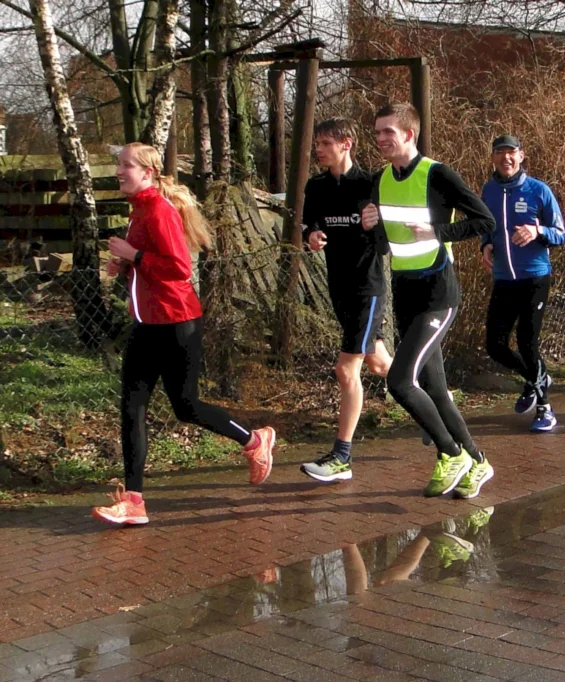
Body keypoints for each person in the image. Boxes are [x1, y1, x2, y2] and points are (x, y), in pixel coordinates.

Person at [92, 143, 275, 526]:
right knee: (132, 407)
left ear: (148, 172)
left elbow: (177, 268)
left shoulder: (159, 211)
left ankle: (255, 441)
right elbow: (146, 262)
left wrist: (134, 256)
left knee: (186, 406)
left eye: (126, 165)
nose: (119, 171)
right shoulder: (139, 210)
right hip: (147, 326)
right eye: (118, 164)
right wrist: (124, 264)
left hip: (177, 324)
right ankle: (135, 501)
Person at [361, 103, 497, 498]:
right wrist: (371, 228)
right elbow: (383, 245)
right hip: (406, 291)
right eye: (378, 132)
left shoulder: (437, 175)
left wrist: (437, 231)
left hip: (439, 293)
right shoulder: (380, 180)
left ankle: (450, 453)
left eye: (389, 131)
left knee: (401, 381)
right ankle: (478, 461)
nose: (382, 138)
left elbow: (484, 221)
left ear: (409, 134)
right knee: (433, 387)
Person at [297, 119, 392, 483]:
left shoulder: (370, 185)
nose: (318, 149)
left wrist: (376, 226)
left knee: (345, 369)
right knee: (379, 366)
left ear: (346, 144)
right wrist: (312, 235)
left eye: (324, 143)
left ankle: (341, 457)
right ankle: (435, 403)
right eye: (317, 142)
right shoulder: (316, 185)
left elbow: (387, 244)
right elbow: (308, 224)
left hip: (367, 288)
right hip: (338, 286)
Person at [480, 135, 565, 432]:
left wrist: (537, 230)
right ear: (493, 158)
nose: (506, 158)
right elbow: (487, 227)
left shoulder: (538, 191)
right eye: (500, 153)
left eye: (512, 153)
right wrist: (486, 246)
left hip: (534, 276)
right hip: (504, 278)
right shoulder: (488, 190)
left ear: (522, 156)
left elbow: (560, 233)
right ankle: (536, 376)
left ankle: (545, 408)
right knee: (495, 345)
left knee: (528, 341)